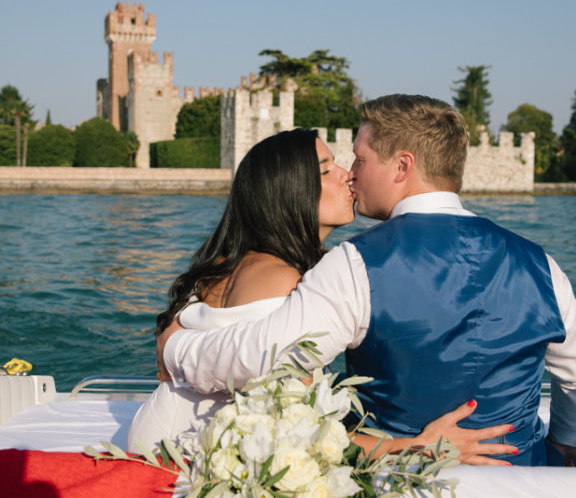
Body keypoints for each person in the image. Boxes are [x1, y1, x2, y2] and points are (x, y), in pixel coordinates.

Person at [159, 95, 576, 466]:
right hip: (522, 476)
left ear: (401, 166)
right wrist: (567, 441)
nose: (352, 173)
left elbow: (265, 358)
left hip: (400, 479)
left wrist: (175, 347)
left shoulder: (354, 265)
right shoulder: (540, 262)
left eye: (360, 158)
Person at [131, 128, 516, 465]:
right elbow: (298, 434)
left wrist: (172, 348)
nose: (348, 175)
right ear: (289, 192)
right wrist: (418, 445)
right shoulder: (289, 284)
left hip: (150, 442)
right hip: (189, 465)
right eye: (326, 170)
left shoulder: (221, 266)